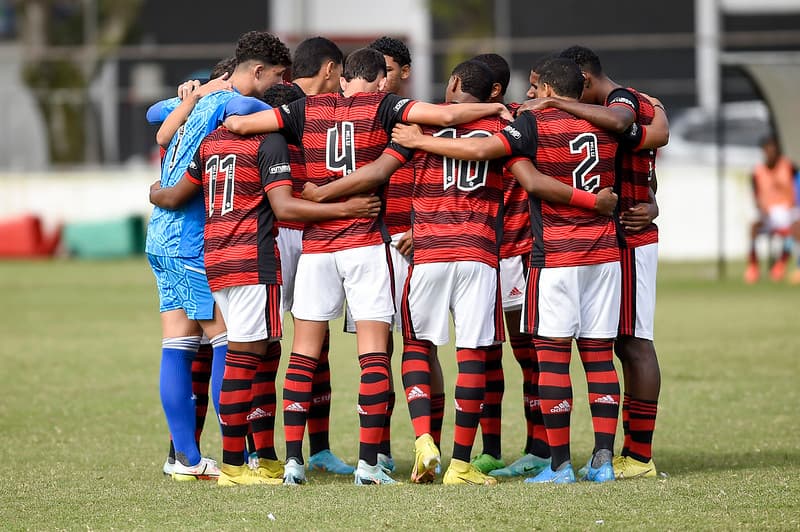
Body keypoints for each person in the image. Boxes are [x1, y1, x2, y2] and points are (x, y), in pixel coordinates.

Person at [305, 59, 617, 485]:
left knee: (417, 345)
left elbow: (378, 172)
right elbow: (520, 174)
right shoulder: (501, 125)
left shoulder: (418, 124)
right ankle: (461, 464)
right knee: (474, 353)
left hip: (428, 251)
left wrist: (323, 193)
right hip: (480, 254)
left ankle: (423, 439)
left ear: (452, 83)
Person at [224, 47, 512, 486]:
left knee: (302, 355)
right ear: (379, 81)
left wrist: (222, 109)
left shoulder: (307, 108)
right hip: (366, 244)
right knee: (374, 355)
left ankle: (294, 462)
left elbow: (242, 124)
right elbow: (445, 118)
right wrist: (494, 107)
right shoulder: (386, 106)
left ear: (343, 79)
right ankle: (368, 465)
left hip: (317, 249)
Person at [149, 83, 381, 486]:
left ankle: (245, 460)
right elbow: (284, 207)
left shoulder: (210, 143)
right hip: (253, 259)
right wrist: (347, 208)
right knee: (247, 359)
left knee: (236, 353)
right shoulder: (268, 142)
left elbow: (175, 194)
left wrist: (154, 191)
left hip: (214, 258)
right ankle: (237, 465)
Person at [144, 30, 291, 481]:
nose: (277, 88)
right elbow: (264, 111)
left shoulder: (195, 101)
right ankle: (230, 455)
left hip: (160, 237)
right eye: (277, 78)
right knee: (232, 342)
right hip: (191, 240)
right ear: (258, 72)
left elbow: (154, 112)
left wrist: (197, 92)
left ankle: (184, 458)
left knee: (178, 345)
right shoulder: (232, 103)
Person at [553, 45, 669, 479]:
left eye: (569, 87)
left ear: (584, 78)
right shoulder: (626, 107)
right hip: (613, 239)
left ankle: (639, 456)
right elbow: (645, 166)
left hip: (632, 240)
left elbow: (624, 124)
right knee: (619, 341)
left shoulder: (621, 101)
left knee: (635, 342)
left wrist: (556, 104)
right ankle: (628, 452)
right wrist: (652, 200)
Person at [274, 36, 355, 476]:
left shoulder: (329, 108)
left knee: (315, 341)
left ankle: (317, 449)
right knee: (270, 344)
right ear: (329, 69)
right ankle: (264, 450)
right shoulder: (281, 103)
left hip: (311, 232)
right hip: (284, 230)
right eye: (340, 72)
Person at [467, 52, 550, 479]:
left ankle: (540, 447)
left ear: (494, 91)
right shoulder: (459, 124)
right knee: (484, 352)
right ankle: (491, 450)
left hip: (516, 251)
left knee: (527, 352)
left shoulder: (519, 121)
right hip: (478, 254)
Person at [745, 134, 798, 284]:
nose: (770, 152)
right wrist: (761, 207)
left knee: (796, 228)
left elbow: (797, 186)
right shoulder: (757, 171)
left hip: (788, 211)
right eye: (767, 149)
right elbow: (756, 196)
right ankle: (753, 267)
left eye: (773, 149)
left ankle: (781, 265)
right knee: (754, 227)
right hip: (768, 213)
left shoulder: (789, 167)